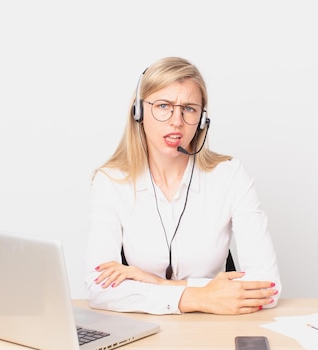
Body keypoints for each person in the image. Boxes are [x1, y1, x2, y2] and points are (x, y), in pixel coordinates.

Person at [84, 57, 280, 315]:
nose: (176, 121)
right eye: (163, 106)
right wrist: (198, 297)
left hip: (214, 332)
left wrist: (160, 284)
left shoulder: (229, 175)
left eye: (188, 108)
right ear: (139, 113)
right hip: (142, 335)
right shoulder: (111, 181)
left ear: (201, 119)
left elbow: (268, 287)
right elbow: (98, 289)